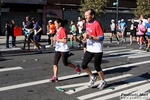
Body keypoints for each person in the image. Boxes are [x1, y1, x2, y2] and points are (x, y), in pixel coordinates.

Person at [81, 9, 107, 90]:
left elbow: (101, 37)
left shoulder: (97, 24)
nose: (85, 17)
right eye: (85, 15)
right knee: (83, 65)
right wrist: (85, 37)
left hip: (97, 49)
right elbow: (89, 33)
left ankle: (103, 81)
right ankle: (92, 77)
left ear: (92, 16)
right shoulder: (87, 23)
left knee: (97, 67)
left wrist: (90, 37)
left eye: (87, 15)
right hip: (89, 48)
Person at [50, 18, 81, 82]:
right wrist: (55, 40)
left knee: (65, 63)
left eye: (55, 24)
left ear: (59, 24)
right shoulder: (57, 30)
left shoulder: (63, 30)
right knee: (55, 62)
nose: (54, 25)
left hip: (64, 49)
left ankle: (76, 67)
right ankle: (55, 76)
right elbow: (58, 38)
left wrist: (56, 39)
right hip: (58, 48)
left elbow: (65, 40)